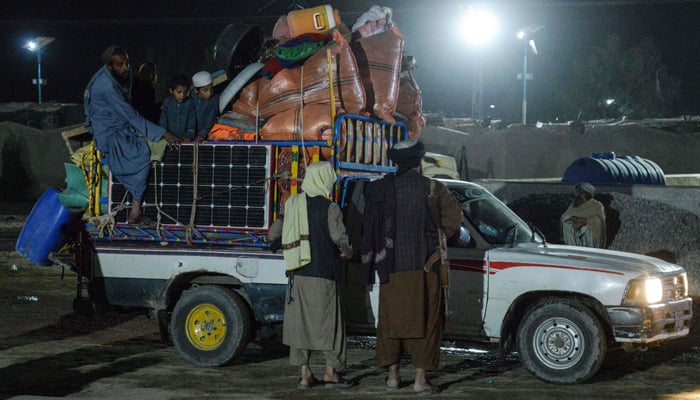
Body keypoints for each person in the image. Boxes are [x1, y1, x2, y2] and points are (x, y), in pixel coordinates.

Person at [361, 140, 462, 395]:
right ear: (419, 161)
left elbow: (366, 227)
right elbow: (453, 223)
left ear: (395, 161)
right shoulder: (434, 189)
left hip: (389, 270)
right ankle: (419, 381)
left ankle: (393, 378)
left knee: (390, 323)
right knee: (427, 322)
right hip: (425, 269)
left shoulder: (380, 190)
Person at [269, 161, 354, 391]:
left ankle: (305, 376)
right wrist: (347, 252)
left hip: (297, 274)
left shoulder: (292, 203)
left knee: (300, 326)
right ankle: (330, 372)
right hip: (324, 274)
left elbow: (273, 234)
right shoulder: (330, 208)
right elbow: (340, 238)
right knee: (330, 324)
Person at [84, 45, 180, 225]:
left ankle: (136, 209)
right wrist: (163, 133)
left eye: (126, 64)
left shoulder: (117, 78)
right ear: (110, 66)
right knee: (141, 153)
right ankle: (135, 209)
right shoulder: (106, 86)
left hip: (123, 126)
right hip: (110, 134)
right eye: (120, 65)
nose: (125, 68)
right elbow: (129, 114)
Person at [561, 182, 606, 248]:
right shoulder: (574, 205)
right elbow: (564, 217)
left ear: (584, 194)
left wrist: (584, 221)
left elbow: (600, 222)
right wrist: (573, 219)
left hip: (590, 239)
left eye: (577, 192)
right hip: (573, 237)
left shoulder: (597, 206)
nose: (575, 194)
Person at [159, 74, 196, 140]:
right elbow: (163, 123)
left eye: (185, 92)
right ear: (171, 91)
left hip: (184, 140)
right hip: (169, 139)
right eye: (179, 92)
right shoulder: (167, 103)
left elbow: (192, 123)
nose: (182, 95)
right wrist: (165, 136)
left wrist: (189, 135)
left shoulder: (190, 103)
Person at [190, 70, 219, 141]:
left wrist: (201, 135)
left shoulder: (213, 100)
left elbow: (210, 121)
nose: (209, 93)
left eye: (211, 89)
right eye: (205, 90)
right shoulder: (192, 96)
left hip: (205, 134)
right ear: (196, 91)